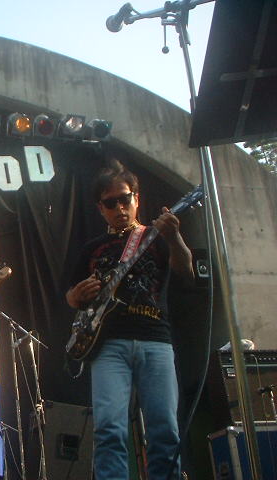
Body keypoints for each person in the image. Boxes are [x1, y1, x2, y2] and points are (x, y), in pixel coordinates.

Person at [66, 160, 194, 480]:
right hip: (108, 345)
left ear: (137, 198)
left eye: (125, 199)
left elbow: (186, 273)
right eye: (111, 203)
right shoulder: (92, 248)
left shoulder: (158, 236)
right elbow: (70, 296)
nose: (120, 208)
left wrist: (175, 237)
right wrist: (75, 296)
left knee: (165, 429)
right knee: (109, 429)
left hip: (156, 339)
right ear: (101, 208)